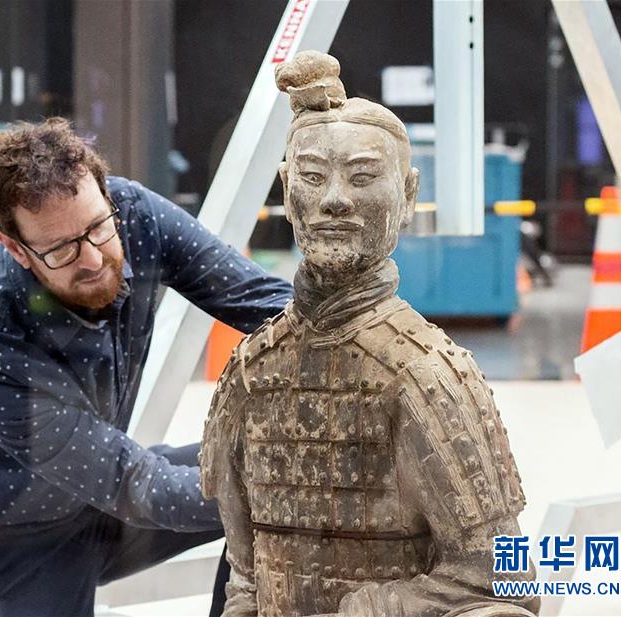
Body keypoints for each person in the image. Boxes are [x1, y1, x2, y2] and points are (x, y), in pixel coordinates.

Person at [0, 117, 294, 617]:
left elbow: (262, 300)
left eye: (96, 227)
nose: (91, 258)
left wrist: (390, 343)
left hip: (88, 505)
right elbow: (139, 486)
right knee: (265, 481)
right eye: (61, 248)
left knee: (271, 463)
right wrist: (287, 482)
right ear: (15, 248)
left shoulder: (131, 213)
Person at [201, 51, 539, 617]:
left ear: (407, 195)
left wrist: (383, 605)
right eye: (313, 176)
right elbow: (247, 577)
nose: (334, 198)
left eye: (362, 177)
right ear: (287, 192)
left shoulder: (430, 376)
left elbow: (506, 582)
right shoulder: (252, 370)